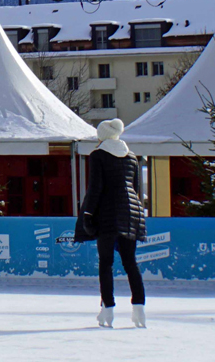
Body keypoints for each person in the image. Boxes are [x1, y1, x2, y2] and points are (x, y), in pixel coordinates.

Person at [80, 118, 147, 328]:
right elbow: (135, 189)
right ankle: (139, 310)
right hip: (131, 213)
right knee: (130, 263)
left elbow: (95, 187)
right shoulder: (132, 156)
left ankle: (107, 310)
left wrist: (88, 214)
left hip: (108, 214)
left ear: (102, 136)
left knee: (106, 263)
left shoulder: (98, 155)